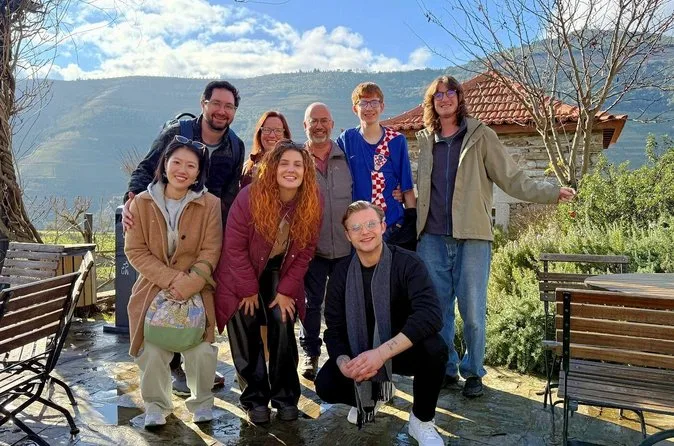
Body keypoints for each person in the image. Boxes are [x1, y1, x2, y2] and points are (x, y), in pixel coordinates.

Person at [415, 75, 576, 398]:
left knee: (472, 312)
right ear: (432, 102)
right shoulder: (425, 140)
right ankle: (446, 368)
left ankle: (473, 372)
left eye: (450, 93)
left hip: (473, 238)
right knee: (439, 311)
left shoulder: (481, 136)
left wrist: (550, 192)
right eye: (438, 95)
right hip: (431, 239)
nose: (444, 99)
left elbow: (512, 179)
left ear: (459, 98)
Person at [123, 80, 244, 395]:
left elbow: (230, 193)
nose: (221, 111)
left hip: (205, 226)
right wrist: (132, 200)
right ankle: (173, 367)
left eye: (229, 106)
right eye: (216, 103)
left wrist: (223, 237)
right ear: (203, 103)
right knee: (164, 292)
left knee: (198, 295)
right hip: (166, 221)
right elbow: (147, 167)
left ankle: (194, 359)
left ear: (234, 111)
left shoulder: (235, 145)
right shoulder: (177, 131)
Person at [315, 201, 447, 446]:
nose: (365, 232)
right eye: (356, 228)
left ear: (383, 226)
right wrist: (344, 363)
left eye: (370, 224)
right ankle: (374, 395)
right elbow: (334, 329)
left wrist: (381, 353)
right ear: (348, 235)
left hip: (400, 350)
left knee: (435, 349)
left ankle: (421, 420)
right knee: (326, 385)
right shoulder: (341, 274)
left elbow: (430, 315)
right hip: (362, 351)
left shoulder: (408, 263)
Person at [214, 140, 322, 424]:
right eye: (284, 163)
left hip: (279, 270)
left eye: (297, 164)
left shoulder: (312, 200)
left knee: (282, 317)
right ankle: (255, 398)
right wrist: (248, 290)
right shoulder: (250, 196)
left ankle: (286, 397)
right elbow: (234, 248)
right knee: (244, 316)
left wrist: (286, 291)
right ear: (272, 167)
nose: (291, 170)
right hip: (240, 271)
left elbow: (306, 251)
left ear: (306, 171)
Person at [125, 136, 222, 428]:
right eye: (176, 162)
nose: (183, 170)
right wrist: (171, 280)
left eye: (191, 165)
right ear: (164, 165)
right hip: (153, 289)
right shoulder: (141, 203)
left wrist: (189, 283)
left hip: (196, 289)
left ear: (198, 172)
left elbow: (211, 249)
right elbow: (135, 250)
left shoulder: (210, 204)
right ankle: (156, 405)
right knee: (152, 350)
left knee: (201, 350)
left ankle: (202, 403)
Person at [298, 102, 353, 380]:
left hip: (346, 246)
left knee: (345, 302)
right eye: (313, 121)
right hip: (312, 248)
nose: (319, 126)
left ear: (331, 124)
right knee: (311, 303)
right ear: (304, 125)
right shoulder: (297, 159)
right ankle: (310, 353)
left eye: (324, 121)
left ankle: (344, 352)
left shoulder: (347, 157)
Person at [337, 82, 417, 250]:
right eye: (363, 103)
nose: (369, 108)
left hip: (391, 225)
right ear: (355, 109)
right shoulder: (347, 139)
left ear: (382, 106)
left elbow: (407, 187)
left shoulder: (396, 140)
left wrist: (411, 222)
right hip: (359, 227)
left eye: (374, 102)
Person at [241, 111, 292, 188]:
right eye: (267, 130)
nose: (272, 135)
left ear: (285, 136)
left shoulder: (293, 168)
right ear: (259, 134)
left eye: (278, 130)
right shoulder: (248, 167)